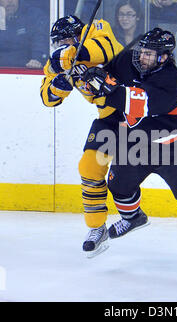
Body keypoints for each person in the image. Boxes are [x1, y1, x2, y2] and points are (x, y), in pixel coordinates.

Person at [82, 27, 177, 286]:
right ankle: (133, 217)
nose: (141, 57)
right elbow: (108, 72)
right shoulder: (130, 59)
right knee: (118, 187)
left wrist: (107, 87)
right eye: (141, 51)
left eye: (148, 54)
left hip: (173, 145)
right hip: (135, 144)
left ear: (163, 57)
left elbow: (138, 104)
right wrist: (90, 72)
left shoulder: (172, 82)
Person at [40, 15, 124, 258]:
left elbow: (107, 48)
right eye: (59, 42)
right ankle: (97, 228)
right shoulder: (59, 62)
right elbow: (47, 97)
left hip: (139, 113)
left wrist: (73, 53)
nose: (62, 45)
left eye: (66, 39)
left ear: (78, 34)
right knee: (88, 167)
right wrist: (58, 86)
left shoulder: (98, 29)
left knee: (176, 159)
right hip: (109, 118)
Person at [0, 0, 48, 68]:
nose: (10, 1)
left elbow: (40, 40)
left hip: (27, 70)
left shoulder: (33, 15)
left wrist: (37, 59)